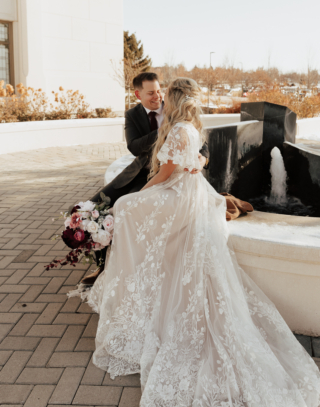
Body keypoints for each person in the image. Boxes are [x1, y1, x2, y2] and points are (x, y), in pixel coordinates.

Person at [86, 78, 320, 407]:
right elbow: (191, 161)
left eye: (165, 96)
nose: (162, 100)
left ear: (175, 99)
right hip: (189, 192)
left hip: (178, 193)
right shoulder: (190, 127)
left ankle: (132, 287)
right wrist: (189, 167)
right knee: (132, 213)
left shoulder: (180, 128)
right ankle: (136, 282)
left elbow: (165, 173)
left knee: (126, 208)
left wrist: (141, 194)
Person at [80, 72, 209, 285]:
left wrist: (201, 159)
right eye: (151, 93)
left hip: (164, 178)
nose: (157, 97)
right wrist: (164, 129)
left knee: (126, 210)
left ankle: (127, 270)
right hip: (139, 173)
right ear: (138, 94)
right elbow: (134, 146)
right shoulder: (134, 115)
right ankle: (102, 267)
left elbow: (200, 145)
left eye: (160, 91)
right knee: (95, 208)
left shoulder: (180, 114)